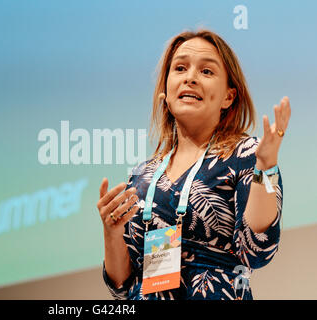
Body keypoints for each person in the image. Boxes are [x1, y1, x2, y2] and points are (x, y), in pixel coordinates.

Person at [96, 29, 291, 300]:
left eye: (207, 72)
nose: (190, 78)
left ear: (228, 97)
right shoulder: (143, 175)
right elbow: (123, 286)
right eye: (180, 68)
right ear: (165, 90)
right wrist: (111, 232)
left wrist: (266, 167)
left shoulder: (246, 154)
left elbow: (256, 251)